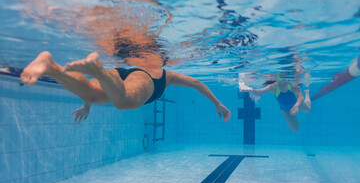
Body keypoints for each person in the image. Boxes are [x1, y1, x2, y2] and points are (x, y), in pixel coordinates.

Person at [20, 52, 231, 123]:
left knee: (91, 96)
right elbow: (196, 83)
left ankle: (51, 66)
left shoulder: (165, 70)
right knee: (124, 102)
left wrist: (87, 106)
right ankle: (98, 70)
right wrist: (218, 104)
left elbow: (197, 83)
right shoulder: (168, 75)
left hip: (117, 71)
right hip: (144, 77)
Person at [239, 77, 311, 132]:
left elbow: (300, 97)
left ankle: (307, 94)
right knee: (295, 129)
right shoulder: (273, 87)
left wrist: (296, 106)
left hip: (297, 105)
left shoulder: (292, 85)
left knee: (308, 110)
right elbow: (259, 92)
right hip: (285, 109)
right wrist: (248, 89)